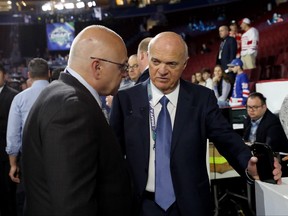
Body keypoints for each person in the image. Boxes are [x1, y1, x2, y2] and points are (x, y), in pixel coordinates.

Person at [109, 31, 282, 216]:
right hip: (141, 207)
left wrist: (248, 162)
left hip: (191, 206)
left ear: (185, 64)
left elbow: (226, 138)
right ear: (148, 59)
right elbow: (112, 158)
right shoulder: (125, 100)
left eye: (171, 64)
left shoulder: (202, 99)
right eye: (156, 61)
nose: (162, 70)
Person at [21, 25, 132, 216]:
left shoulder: (57, 92)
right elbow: (73, 206)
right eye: (122, 66)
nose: (125, 73)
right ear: (97, 67)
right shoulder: (72, 107)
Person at [6, 58, 50, 216]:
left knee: (30, 202)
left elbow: (13, 135)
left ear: (29, 74)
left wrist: (13, 164)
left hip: (30, 159)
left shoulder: (20, 98)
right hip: (60, 156)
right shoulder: (63, 93)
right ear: (49, 73)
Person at [0, 64, 18, 216]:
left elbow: (14, 127)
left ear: (4, 75)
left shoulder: (13, 95)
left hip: (6, 155)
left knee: (7, 194)